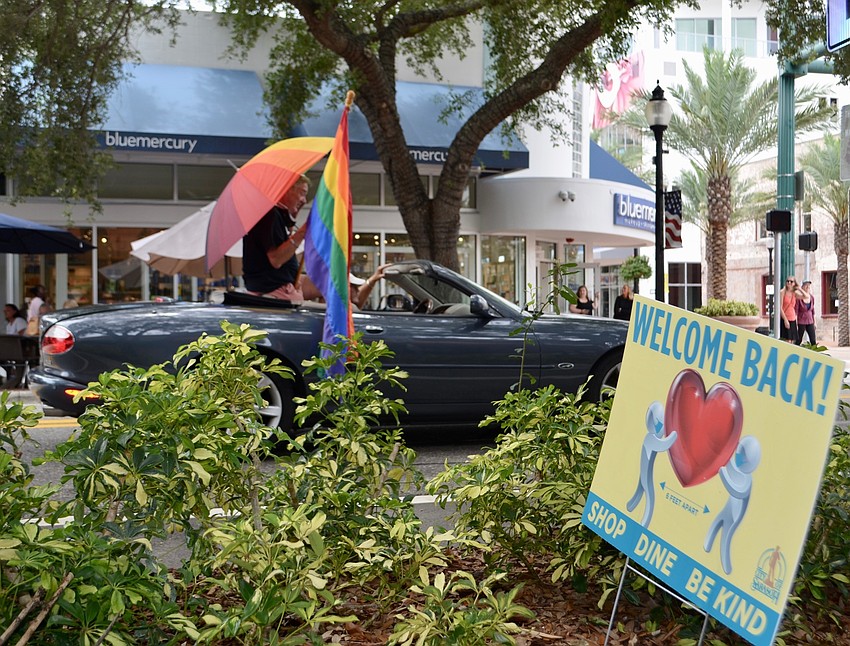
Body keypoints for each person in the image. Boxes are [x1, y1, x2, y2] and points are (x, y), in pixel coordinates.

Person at [242, 176, 311, 301]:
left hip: (276, 290)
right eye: (302, 193)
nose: (305, 200)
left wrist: (291, 220)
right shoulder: (269, 215)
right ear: (287, 189)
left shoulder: (273, 215)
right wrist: (303, 231)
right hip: (276, 293)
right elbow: (276, 259)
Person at [779, 276, 803, 344]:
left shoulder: (794, 293)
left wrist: (799, 288)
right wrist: (785, 320)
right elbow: (780, 307)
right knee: (787, 340)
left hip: (793, 318)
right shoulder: (782, 292)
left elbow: (806, 296)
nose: (789, 283)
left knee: (793, 340)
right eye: (788, 281)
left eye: (791, 281)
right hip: (785, 318)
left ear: (794, 283)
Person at [796, 280, 816, 345]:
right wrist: (796, 322)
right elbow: (796, 310)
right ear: (802, 287)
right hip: (801, 320)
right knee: (799, 339)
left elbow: (813, 311)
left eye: (808, 285)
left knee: (813, 339)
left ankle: (814, 353)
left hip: (810, 320)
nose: (807, 287)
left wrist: (814, 322)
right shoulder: (799, 298)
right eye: (806, 285)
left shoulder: (812, 297)